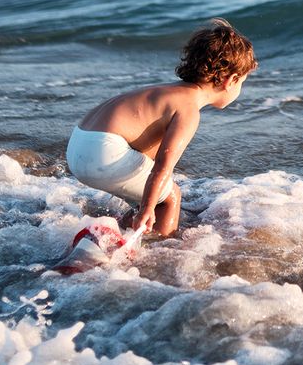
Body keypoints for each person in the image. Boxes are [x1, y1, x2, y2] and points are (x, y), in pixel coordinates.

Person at [66, 18, 257, 237]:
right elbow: (162, 166)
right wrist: (148, 208)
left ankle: (112, 232)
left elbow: (147, 157)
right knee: (170, 197)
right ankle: (158, 247)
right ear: (230, 80)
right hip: (103, 153)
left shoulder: (164, 93)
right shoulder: (188, 109)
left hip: (78, 146)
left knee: (150, 188)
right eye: (242, 81)